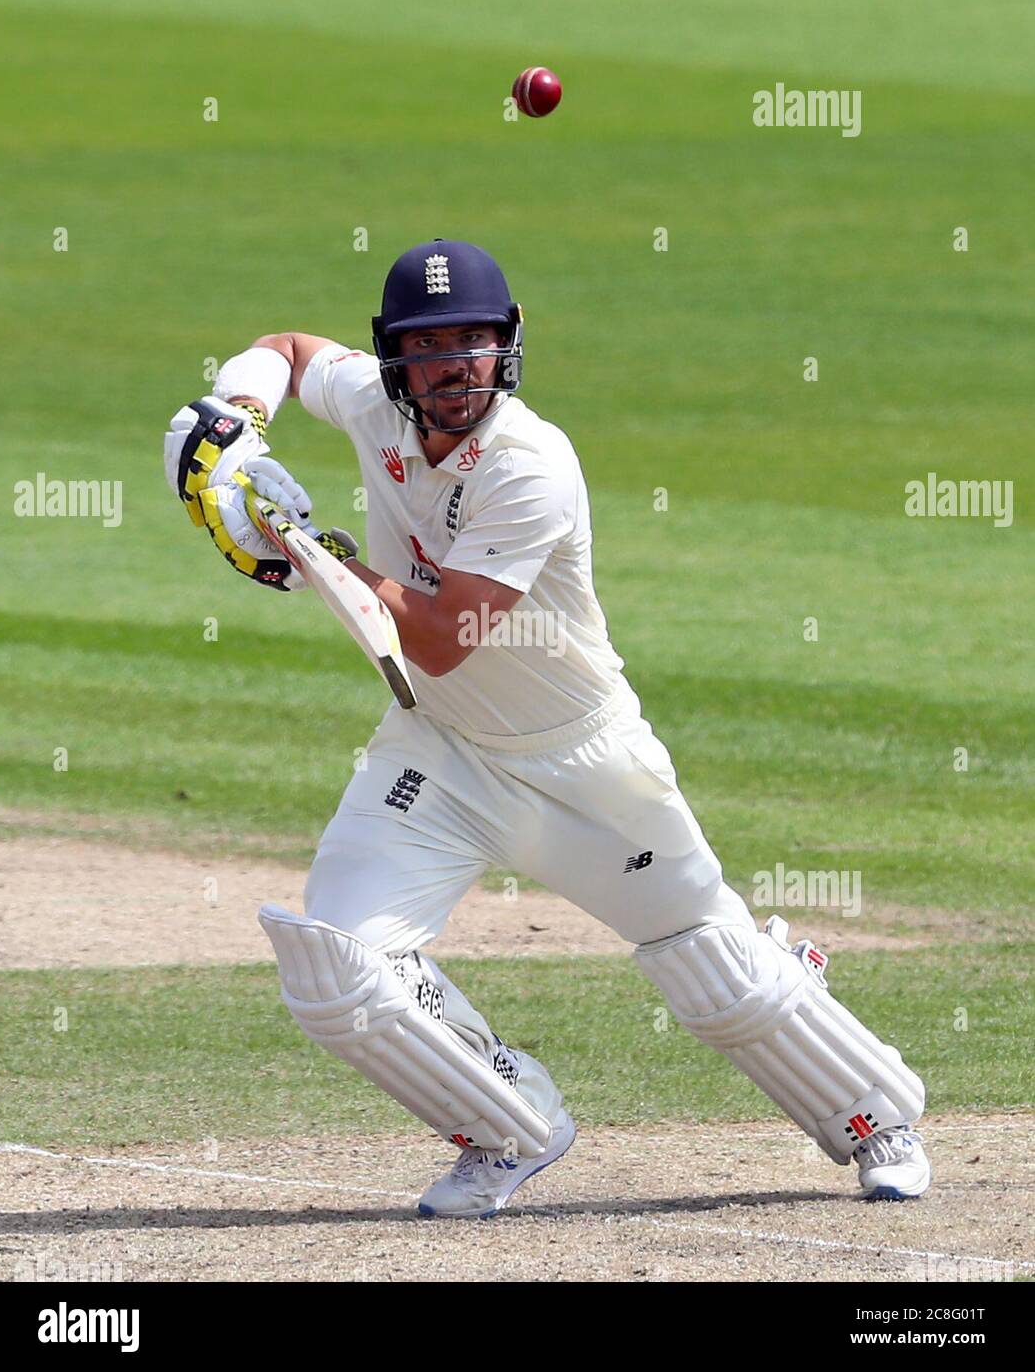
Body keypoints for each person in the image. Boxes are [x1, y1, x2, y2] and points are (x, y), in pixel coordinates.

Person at [163, 238, 931, 1217]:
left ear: (507, 346)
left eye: (475, 340)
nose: (455, 364)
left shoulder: (532, 464)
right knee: (337, 971)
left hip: (585, 765)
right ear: (396, 359)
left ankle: (878, 1118)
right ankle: (508, 1126)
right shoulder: (373, 403)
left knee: (715, 971)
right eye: (429, 344)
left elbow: (447, 636)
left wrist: (300, 548)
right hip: (440, 755)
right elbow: (291, 348)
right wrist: (238, 413)